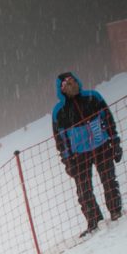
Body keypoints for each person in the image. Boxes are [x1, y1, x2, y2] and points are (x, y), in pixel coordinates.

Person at [52, 71, 122, 237]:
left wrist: (115, 142)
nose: (71, 85)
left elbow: (108, 119)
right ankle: (94, 221)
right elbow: (60, 140)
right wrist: (68, 161)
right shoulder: (59, 111)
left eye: (73, 81)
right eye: (66, 84)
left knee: (109, 180)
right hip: (79, 155)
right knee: (84, 191)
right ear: (61, 89)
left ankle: (116, 211)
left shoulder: (93, 97)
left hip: (102, 145)